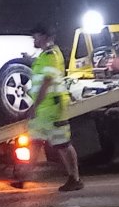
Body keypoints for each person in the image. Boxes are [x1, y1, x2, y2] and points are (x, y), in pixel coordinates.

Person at [23, 24, 84, 192]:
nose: (34, 40)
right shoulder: (43, 56)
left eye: (36, 36)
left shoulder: (50, 55)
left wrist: (34, 106)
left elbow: (47, 82)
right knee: (34, 142)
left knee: (63, 145)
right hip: (44, 109)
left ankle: (75, 178)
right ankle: (24, 176)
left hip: (53, 108)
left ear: (45, 37)